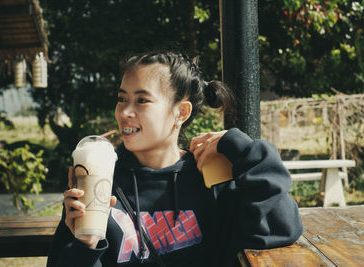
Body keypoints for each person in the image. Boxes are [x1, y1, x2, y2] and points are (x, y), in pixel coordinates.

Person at [47, 51, 303, 267]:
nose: (125, 112)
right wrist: (84, 245)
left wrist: (242, 147)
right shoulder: (100, 176)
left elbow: (282, 228)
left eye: (142, 100)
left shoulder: (211, 174)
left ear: (181, 112)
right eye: (122, 99)